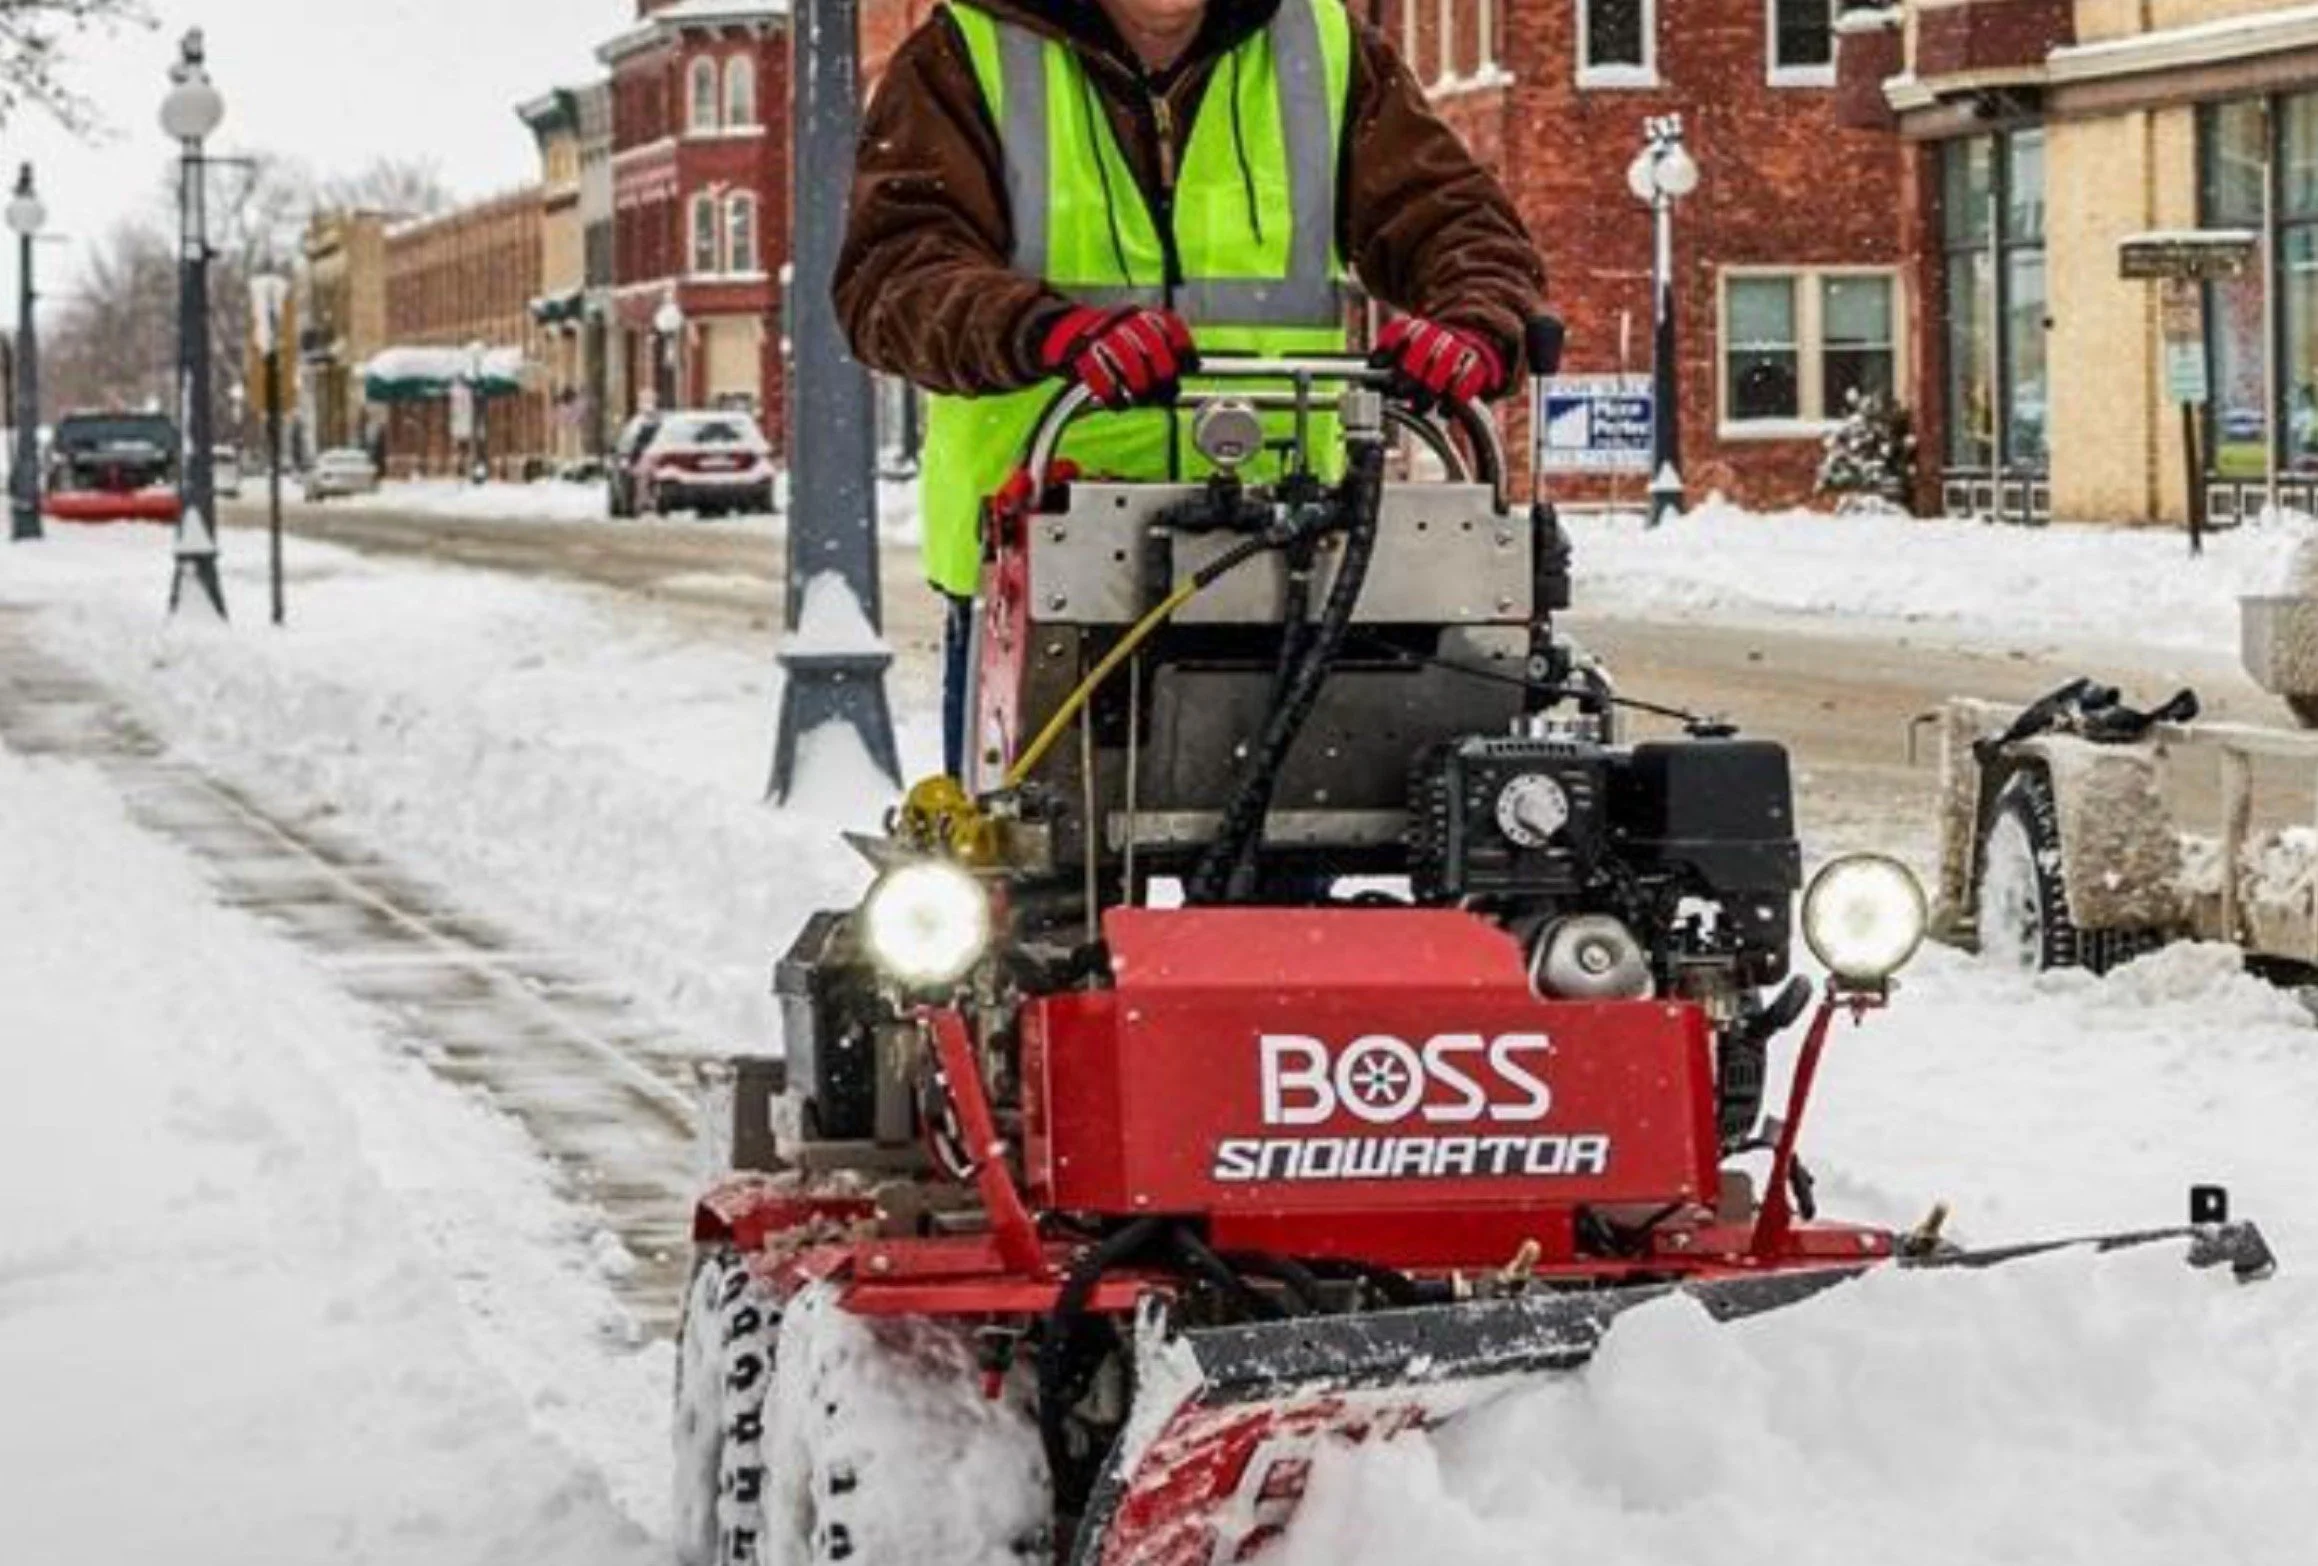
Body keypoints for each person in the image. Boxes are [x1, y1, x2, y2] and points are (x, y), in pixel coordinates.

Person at [835, 0, 1548, 776]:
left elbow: (1452, 219)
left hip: (1284, 553)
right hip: (1046, 566)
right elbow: (896, 272)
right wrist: (1047, 331)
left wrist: (1476, 319)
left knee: (1298, 865)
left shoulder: (1323, 49)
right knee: (1035, 867)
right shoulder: (967, 51)